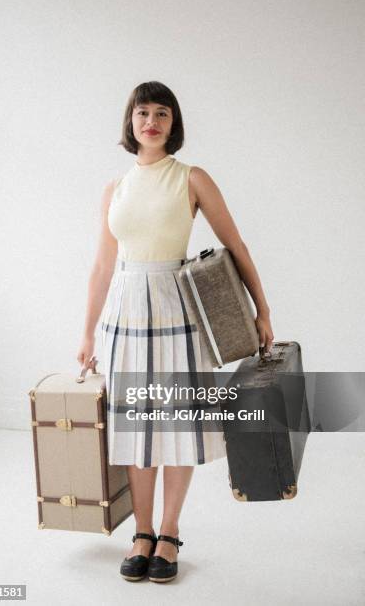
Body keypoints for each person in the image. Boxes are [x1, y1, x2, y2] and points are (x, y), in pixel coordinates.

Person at [77, 81, 274, 583]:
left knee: (177, 426)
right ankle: (140, 533)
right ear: (130, 122)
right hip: (126, 312)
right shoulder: (114, 189)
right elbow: (102, 267)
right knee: (137, 427)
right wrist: (86, 335)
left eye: (162, 113)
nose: (151, 121)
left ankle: (168, 531)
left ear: (172, 123)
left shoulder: (191, 179)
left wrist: (262, 310)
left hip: (177, 308)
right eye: (142, 112)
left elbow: (237, 246)